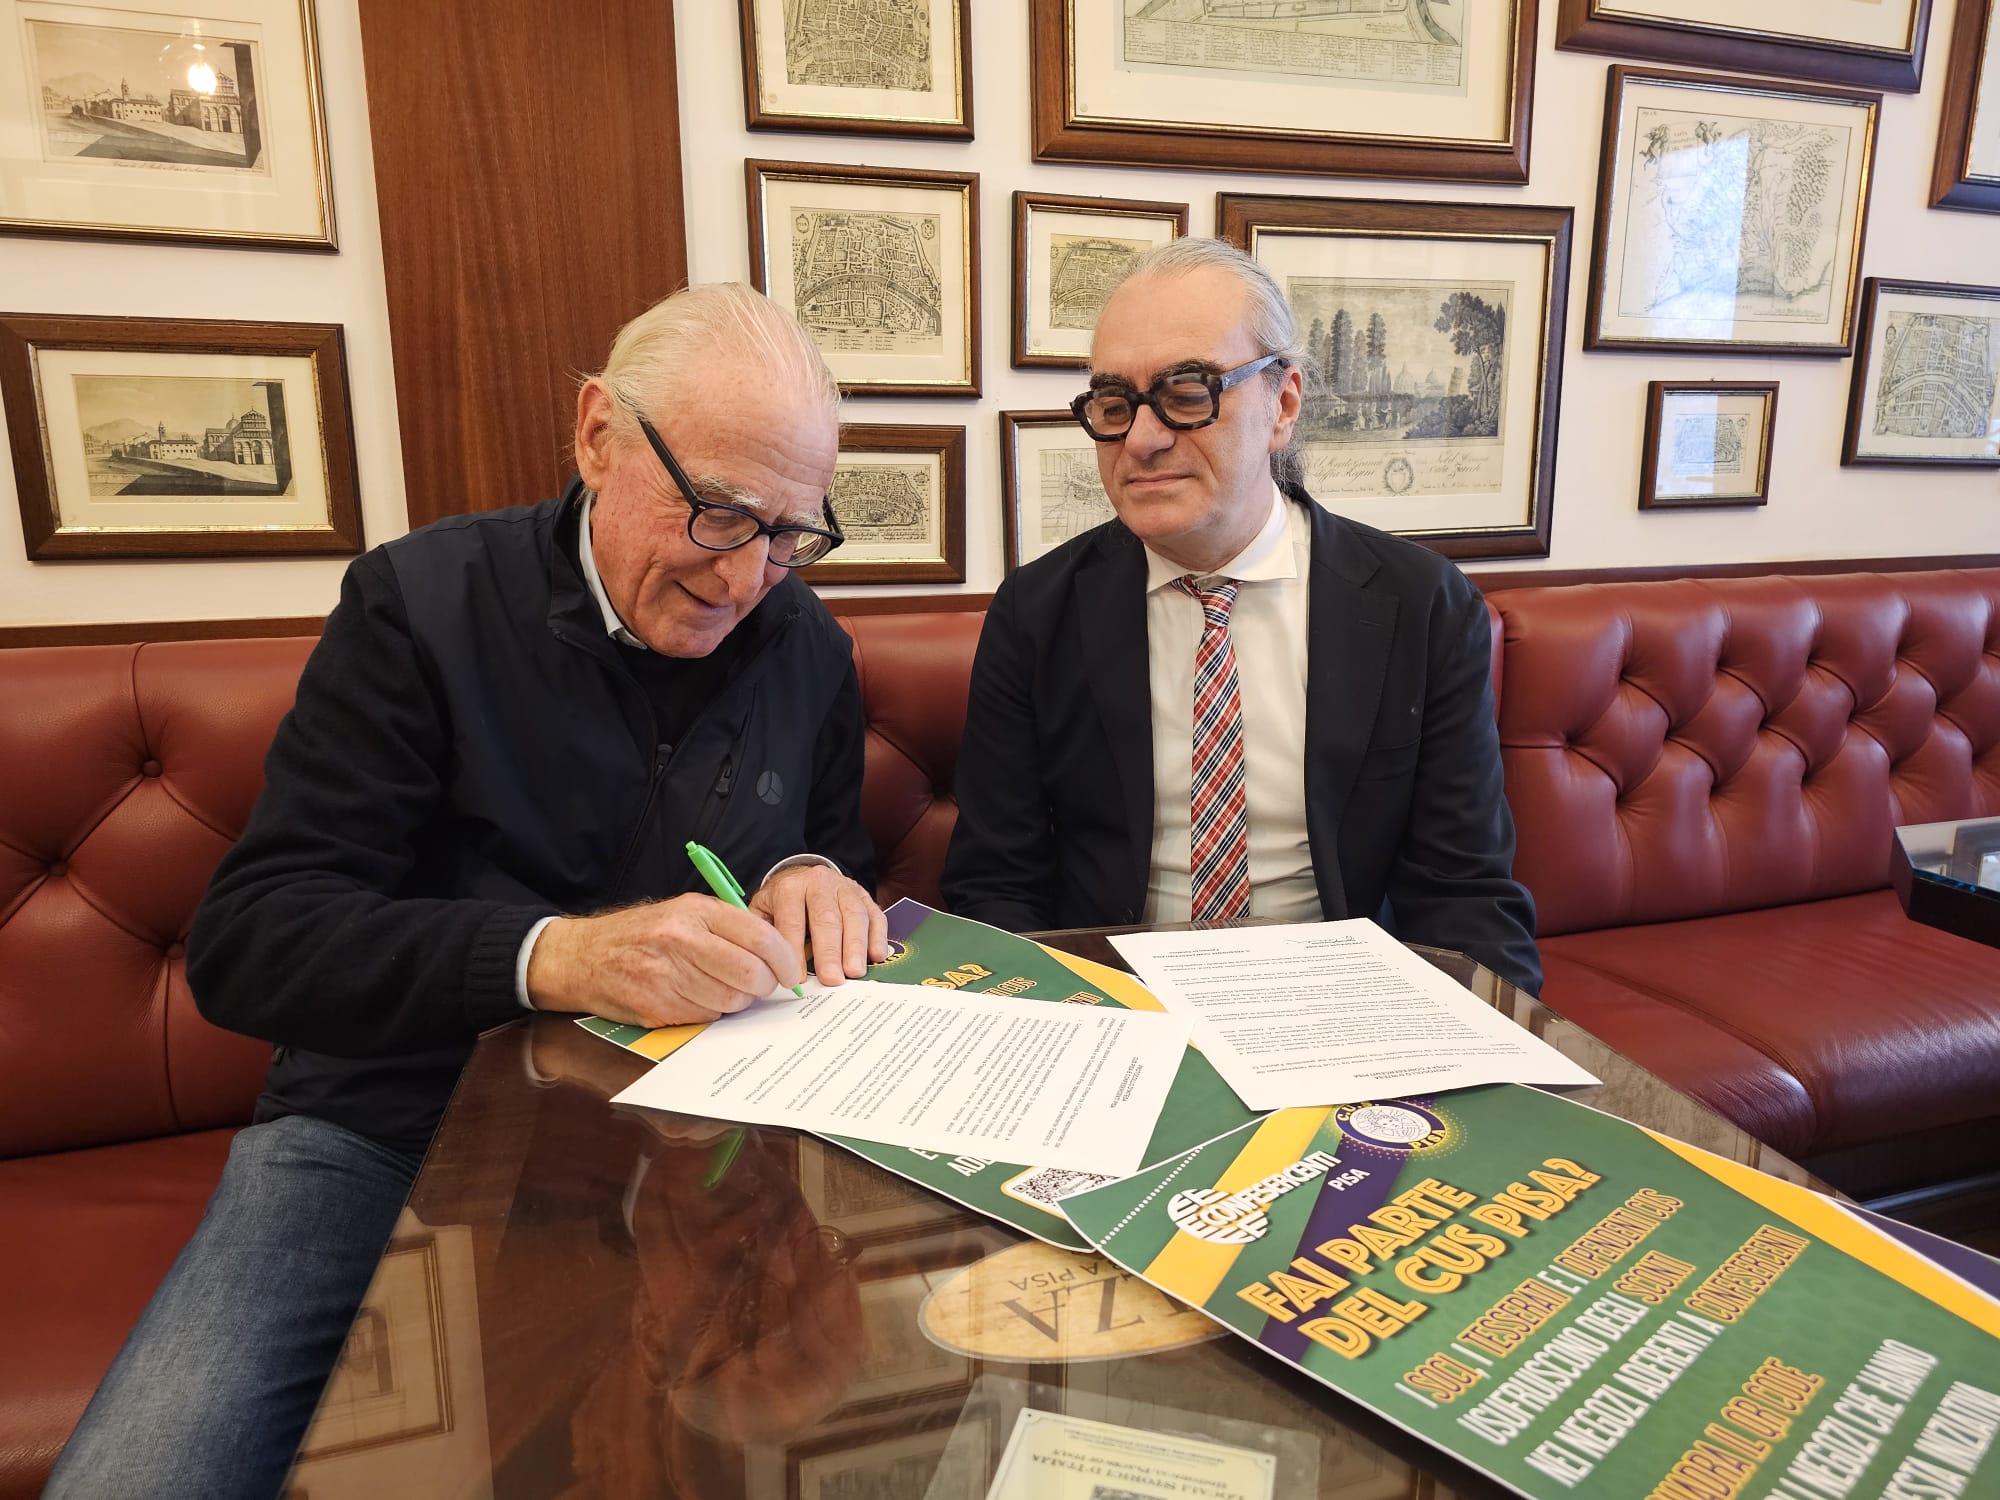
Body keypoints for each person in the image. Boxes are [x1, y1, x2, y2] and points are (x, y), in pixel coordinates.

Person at [46, 283, 890, 1500]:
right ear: (597, 436)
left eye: (790, 533)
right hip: (386, 1129)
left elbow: (822, 843)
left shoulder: (803, 641)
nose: (747, 576)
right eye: (717, 513)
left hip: (696, 1140)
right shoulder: (419, 606)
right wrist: (556, 957)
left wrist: (814, 875)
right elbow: (253, 939)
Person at [941, 239, 1540, 992]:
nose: (1142, 440)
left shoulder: (1423, 607)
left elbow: (1465, 898)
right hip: (1114, 998)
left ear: (1282, 404)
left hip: (1340, 1002)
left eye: (1189, 394)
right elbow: (995, 885)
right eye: (1114, 405)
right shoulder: (1036, 613)